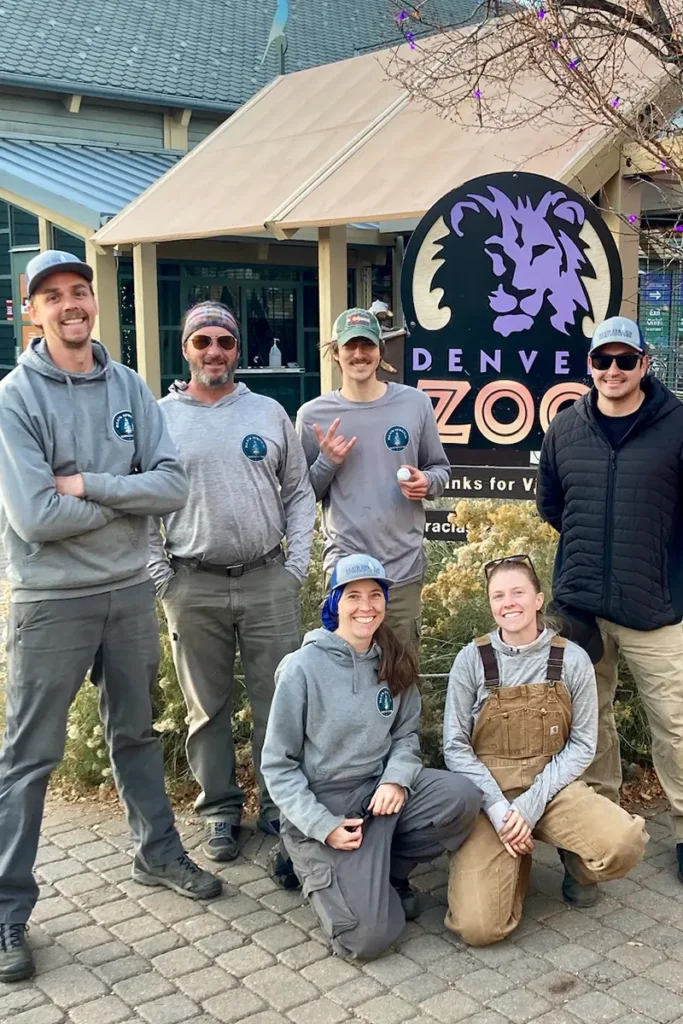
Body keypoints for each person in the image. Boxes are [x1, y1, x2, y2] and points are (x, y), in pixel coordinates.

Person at [0, 251, 221, 984]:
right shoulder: (15, 398)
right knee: (29, 759)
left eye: (79, 292)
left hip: (128, 592)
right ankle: (8, 910)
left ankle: (156, 851)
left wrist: (89, 485)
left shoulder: (128, 385)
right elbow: (34, 515)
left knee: (134, 732)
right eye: (52, 296)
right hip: (51, 600)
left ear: (94, 301)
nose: (70, 304)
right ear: (32, 311)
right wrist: (121, 497)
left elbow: (170, 486)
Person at [148, 301, 316, 863]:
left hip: (268, 577)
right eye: (203, 342)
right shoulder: (159, 418)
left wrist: (295, 566)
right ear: (187, 349)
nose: (214, 352)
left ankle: (276, 804)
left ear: (237, 350)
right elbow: (140, 501)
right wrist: (159, 574)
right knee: (206, 708)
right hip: (191, 582)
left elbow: (297, 491)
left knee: (279, 700)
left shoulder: (269, 411)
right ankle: (220, 809)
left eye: (224, 342)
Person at [261, 553, 481, 960]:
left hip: (379, 796)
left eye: (375, 595)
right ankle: (304, 855)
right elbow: (278, 764)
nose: (366, 606)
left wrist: (396, 778)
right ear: (334, 604)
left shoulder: (392, 662)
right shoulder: (301, 668)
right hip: (326, 804)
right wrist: (322, 825)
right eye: (353, 596)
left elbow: (406, 735)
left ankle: (389, 873)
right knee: (366, 940)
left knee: (462, 797)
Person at [537, 315, 683, 887]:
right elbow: (554, 505)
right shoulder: (566, 428)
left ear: (645, 364)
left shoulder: (677, 425)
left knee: (675, 724)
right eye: (604, 360)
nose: (614, 370)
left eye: (626, 360)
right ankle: (596, 835)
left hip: (656, 608)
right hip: (582, 608)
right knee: (589, 725)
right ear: (590, 365)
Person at [444, 555, 647, 946]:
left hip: (554, 791)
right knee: (478, 928)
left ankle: (576, 863)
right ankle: (513, 860)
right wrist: (503, 811)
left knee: (624, 844)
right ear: (490, 605)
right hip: (492, 798)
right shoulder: (472, 660)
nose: (509, 603)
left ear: (538, 599)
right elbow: (455, 747)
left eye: (518, 592)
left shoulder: (571, 658)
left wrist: (530, 806)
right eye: (498, 596)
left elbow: (583, 743)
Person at [296, 308, 450, 649]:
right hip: (346, 572)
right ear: (336, 354)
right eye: (350, 346)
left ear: (381, 350)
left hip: (402, 570)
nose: (359, 354)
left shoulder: (414, 403)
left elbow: (440, 469)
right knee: (345, 678)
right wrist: (327, 462)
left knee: (402, 677)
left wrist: (426, 482)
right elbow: (302, 497)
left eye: (367, 345)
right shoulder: (312, 416)